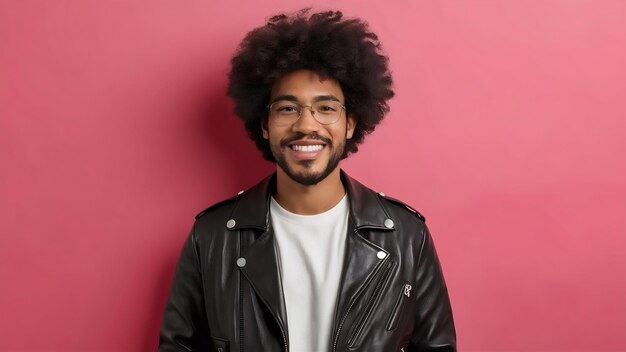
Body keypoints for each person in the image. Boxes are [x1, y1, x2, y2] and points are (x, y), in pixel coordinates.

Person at [159, 9, 456, 352]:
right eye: (288, 108)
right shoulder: (212, 238)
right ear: (265, 124)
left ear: (350, 123)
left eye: (326, 108)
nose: (306, 125)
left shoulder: (406, 236)